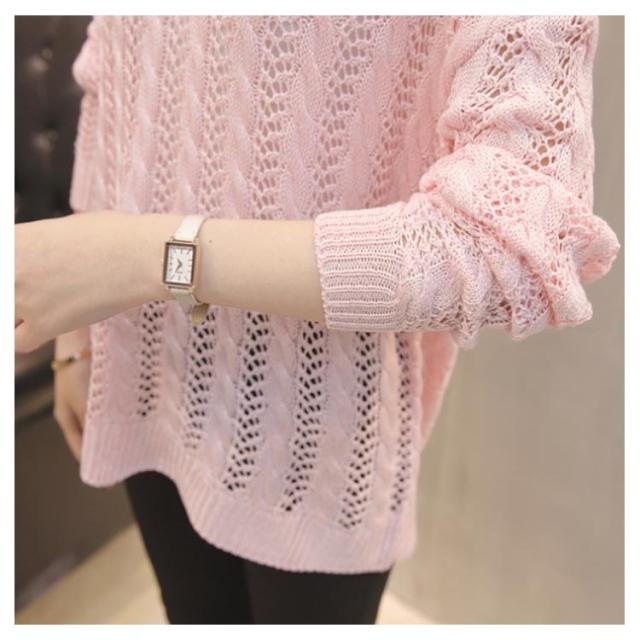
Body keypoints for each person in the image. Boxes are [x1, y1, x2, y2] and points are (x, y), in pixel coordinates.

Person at [15, 15, 620, 624]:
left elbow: (510, 245)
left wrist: (146, 259)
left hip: (317, 436)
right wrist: (79, 336)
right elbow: (111, 79)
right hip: (147, 370)